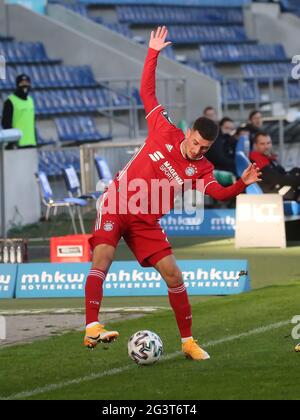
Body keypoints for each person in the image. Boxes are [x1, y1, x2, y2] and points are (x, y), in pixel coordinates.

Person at [84, 27, 262, 360]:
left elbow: (221, 194)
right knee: (103, 259)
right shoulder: (165, 130)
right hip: (118, 202)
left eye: (204, 147)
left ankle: (188, 342)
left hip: (146, 220)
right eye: (195, 142)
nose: (197, 150)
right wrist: (152, 53)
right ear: (189, 132)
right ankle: (92, 325)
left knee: (174, 274)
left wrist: (242, 182)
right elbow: (147, 92)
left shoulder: (202, 168)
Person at [250, 131, 300, 201]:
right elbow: (276, 179)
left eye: (268, 143)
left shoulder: (268, 158)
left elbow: (282, 173)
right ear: (255, 145)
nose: (266, 146)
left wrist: (296, 171)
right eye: (262, 144)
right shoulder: (257, 160)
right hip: (272, 193)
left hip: (277, 187)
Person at [1, 74, 37, 148]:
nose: (25, 85)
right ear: (17, 85)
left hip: (31, 143)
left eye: (27, 83)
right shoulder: (10, 101)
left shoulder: (30, 100)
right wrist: (12, 142)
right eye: (22, 83)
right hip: (17, 145)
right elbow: (5, 123)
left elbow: (32, 122)